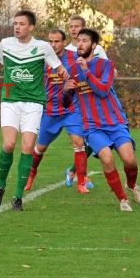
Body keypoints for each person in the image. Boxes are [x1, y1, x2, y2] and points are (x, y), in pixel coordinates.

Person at [0, 10, 68, 211]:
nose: (17, 26)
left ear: (31, 27)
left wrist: (65, 74)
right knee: (8, 145)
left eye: (22, 24)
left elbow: (58, 67)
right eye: (15, 23)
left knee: (27, 148)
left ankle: (17, 197)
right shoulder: (6, 43)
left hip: (34, 104)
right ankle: (0, 186)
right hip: (10, 100)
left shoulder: (42, 47)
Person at [64, 28, 140, 211]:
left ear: (94, 45)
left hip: (115, 122)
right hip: (92, 127)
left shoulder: (106, 65)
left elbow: (102, 90)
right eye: (78, 41)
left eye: (85, 41)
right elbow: (67, 102)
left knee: (129, 160)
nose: (80, 44)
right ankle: (122, 199)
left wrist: (86, 72)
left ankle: (132, 185)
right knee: (107, 159)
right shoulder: (71, 70)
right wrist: (66, 91)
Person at [23, 29, 93, 193]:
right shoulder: (42, 58)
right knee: (40, 148)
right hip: (50, 110)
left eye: (57, 42)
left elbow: (91, 67)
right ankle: (31, 175)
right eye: (51, 42)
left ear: (64, 42)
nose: (53, 45)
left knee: (79, 143)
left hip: (71, 109)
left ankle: (81, 182)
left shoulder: (74, 57)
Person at [63, 14, 108, 186]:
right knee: (82, 139)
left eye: (76, 26)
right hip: (78, 102)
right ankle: (81, 175)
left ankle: (74, 170)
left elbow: (108, 69)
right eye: (71, 26)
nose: (73, 29)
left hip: (96, 100)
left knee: (95, 139)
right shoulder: (66, 50)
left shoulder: (98, 50)